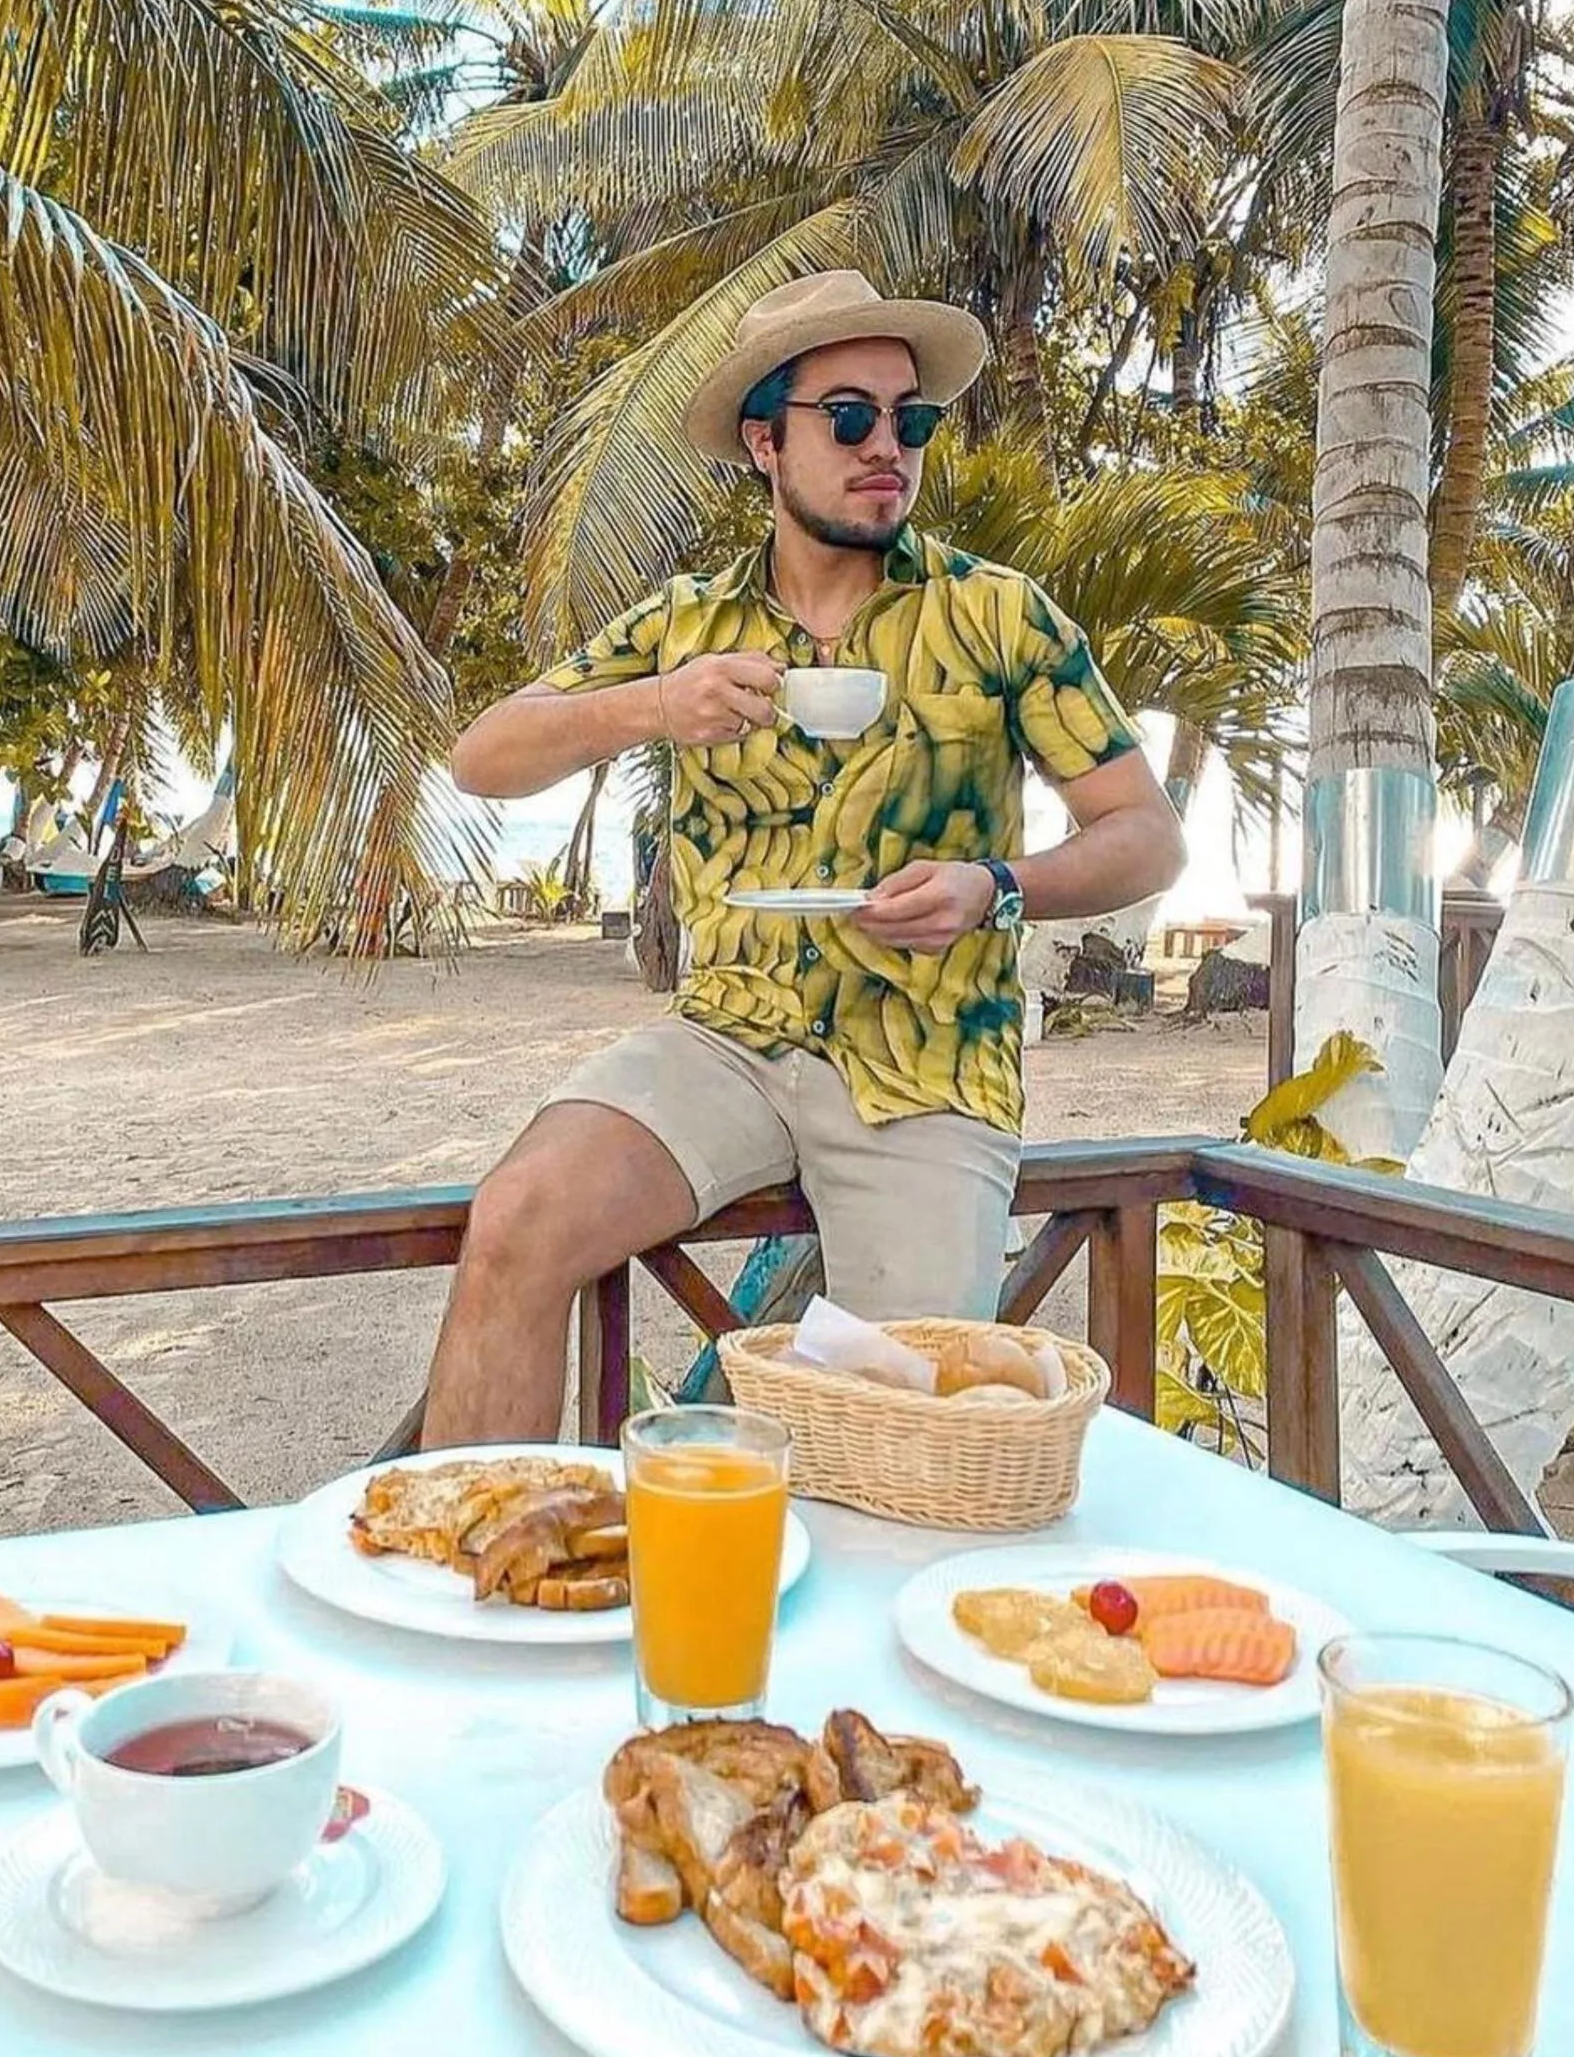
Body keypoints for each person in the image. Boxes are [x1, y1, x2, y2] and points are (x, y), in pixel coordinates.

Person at [422, 270, 1185, 1445]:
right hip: (726, 1032)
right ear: (764, 442)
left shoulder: (997, 617)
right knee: (516, 1218)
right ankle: (469, 1585)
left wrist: (998, 887)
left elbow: (1145, 833)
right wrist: (653, 707)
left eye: (909, 419)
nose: (887, 445)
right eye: (848, 417)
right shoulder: (686, 626)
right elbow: (482, 756)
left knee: (902, 1423)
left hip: (924, 1062)